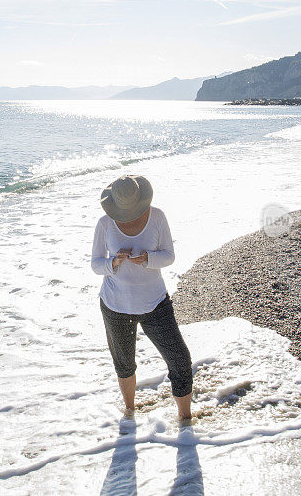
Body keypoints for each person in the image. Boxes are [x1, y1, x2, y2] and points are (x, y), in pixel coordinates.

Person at [91, 175, 193, 421]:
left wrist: (148, 258)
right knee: (124, 363)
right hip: (116, 305)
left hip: (155, 303)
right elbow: (96, 264)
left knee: (180, 360)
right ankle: (129, 413)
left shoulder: (157, 216)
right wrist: (113, 262)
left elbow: (169, 255)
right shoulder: (105, 223)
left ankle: (185, 420)